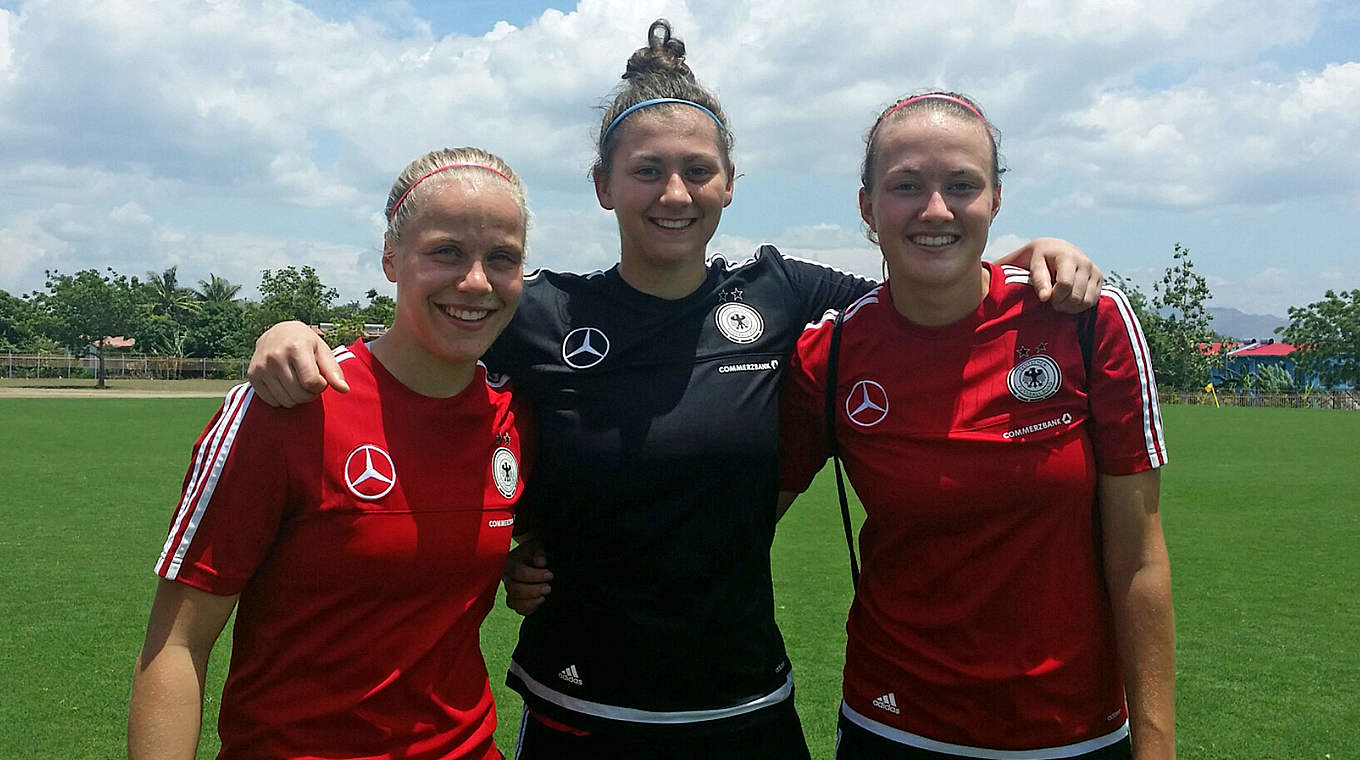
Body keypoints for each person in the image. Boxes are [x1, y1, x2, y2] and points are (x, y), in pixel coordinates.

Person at [244, 22, 1104, 760]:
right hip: (579, 705)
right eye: (648, 170)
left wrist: (1031, 252)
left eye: (698, 170)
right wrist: (294, 336)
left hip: (746, 705)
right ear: (603, 186)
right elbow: (417, 359)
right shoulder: (535, 311)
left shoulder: (785, 296)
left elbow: (927, 285)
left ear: (730, 184)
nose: (675, 193)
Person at [778, 92, 1174, 759]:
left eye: (961, 185)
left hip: (1071, 736)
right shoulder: (833, 352)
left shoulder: (1086, 321)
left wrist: (1156, 747)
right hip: (891, 727)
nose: (935, 209)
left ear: (994, 200)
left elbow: (1139, 558)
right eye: (906, 186)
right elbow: (728, 525)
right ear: (868, 208)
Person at [127, 148, 535, 760]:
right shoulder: (289, 406)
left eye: (501, 258)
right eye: (446, 250)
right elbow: (179, 644)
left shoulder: (517, 416)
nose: (475, 280)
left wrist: (526, 565)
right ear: (391, 260)